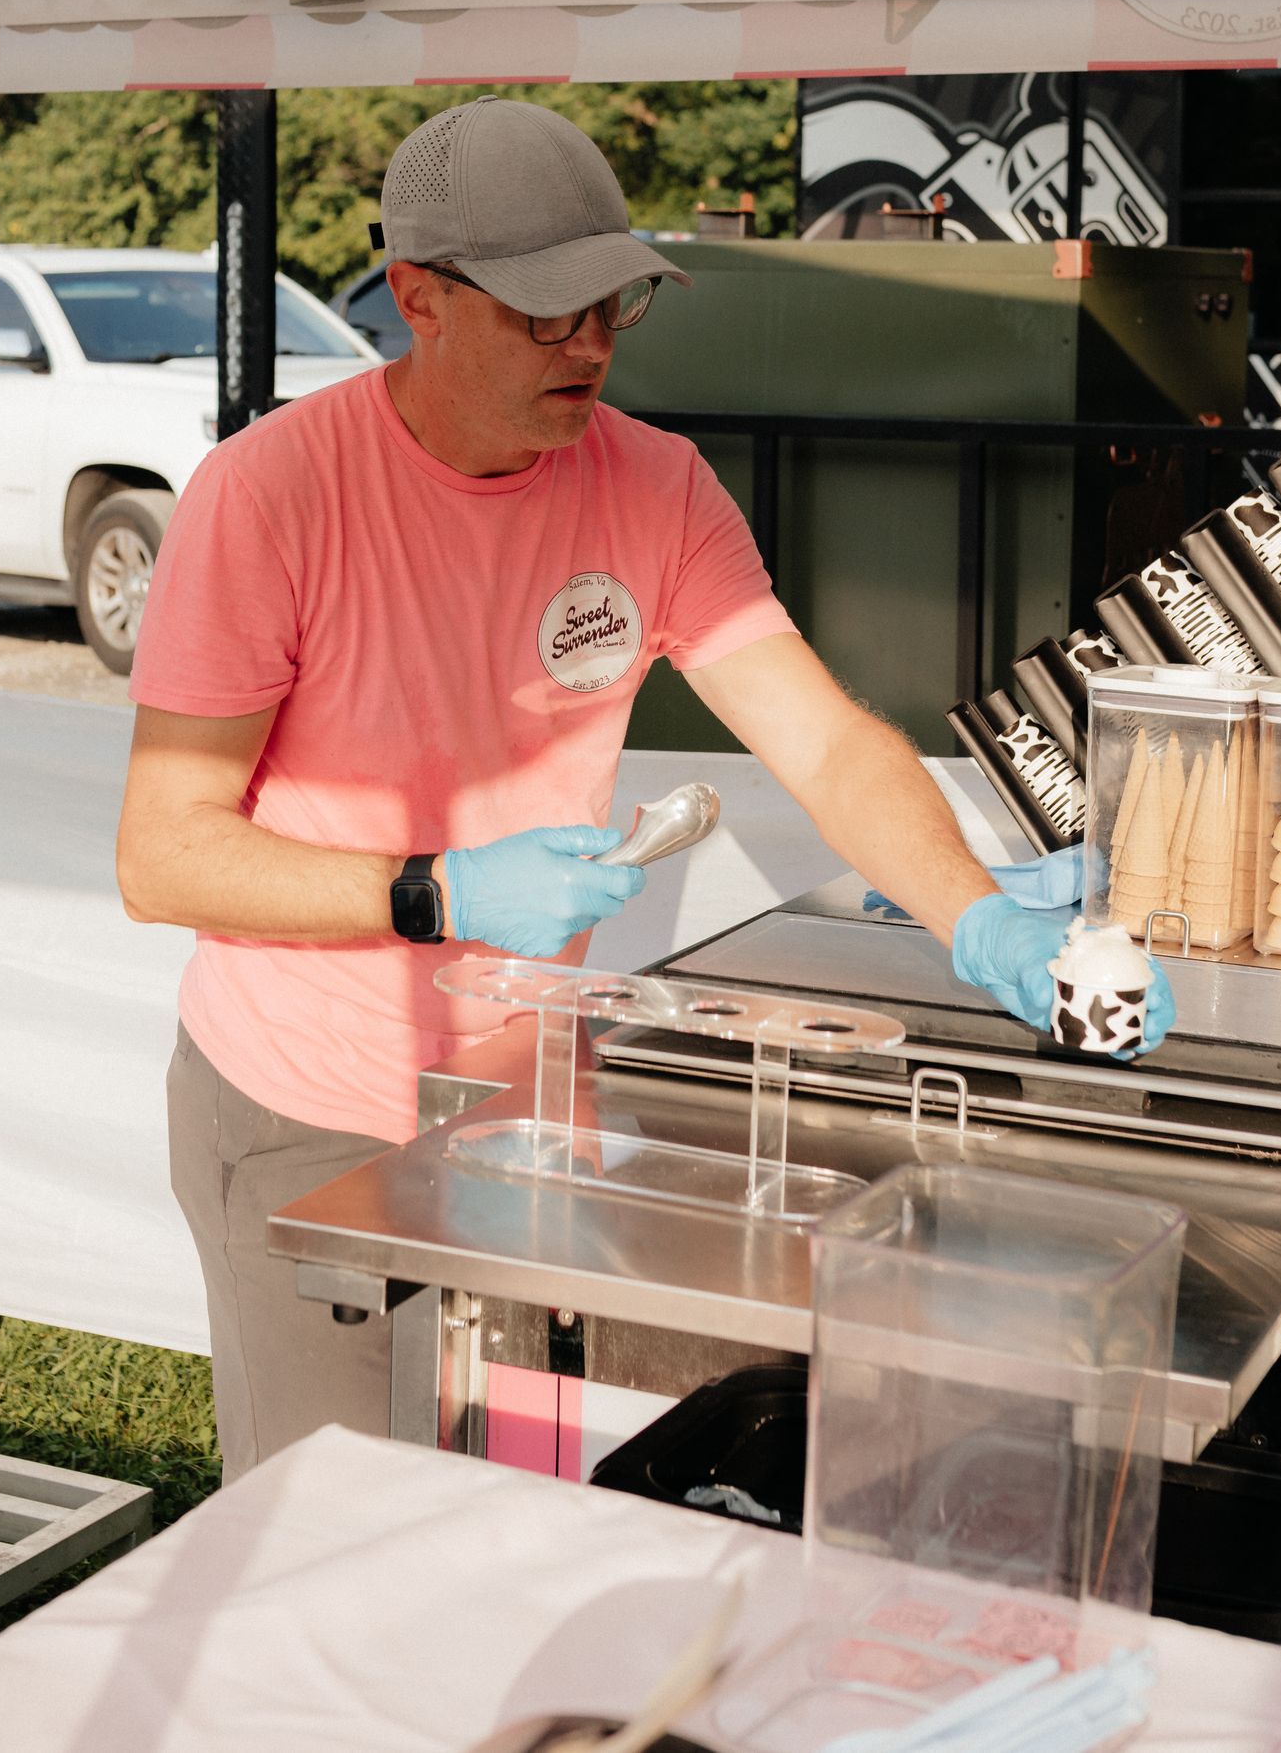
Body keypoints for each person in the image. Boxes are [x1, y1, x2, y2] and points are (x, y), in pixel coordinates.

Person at [116, 96, 1173, 1479]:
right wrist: (437, 891)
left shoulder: (652, 486)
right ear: (419, 297)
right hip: (307, 1105)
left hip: (529, 1101)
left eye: (614, 303)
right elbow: (167, 856)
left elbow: (828, 739)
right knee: (333, 1540)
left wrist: (976, 917)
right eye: (550, 315)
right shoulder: (269, 499)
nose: (595, 346)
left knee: (525, 1510)